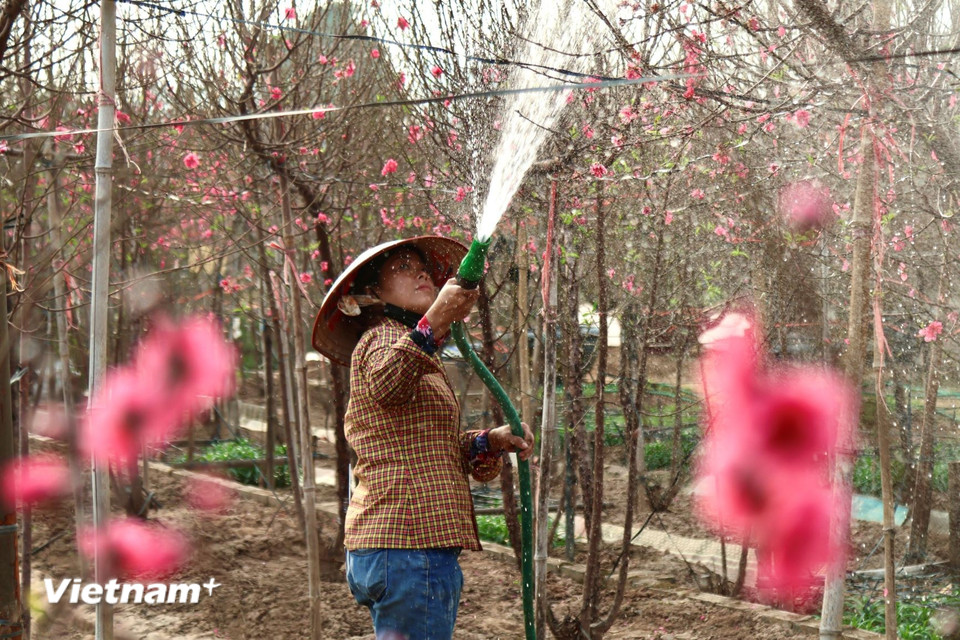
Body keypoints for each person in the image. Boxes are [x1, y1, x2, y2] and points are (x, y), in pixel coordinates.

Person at [312, 236, 534, 640]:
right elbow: (387, 382)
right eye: (401, 267)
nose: (420, 273)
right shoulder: (379, 340)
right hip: (407, 546)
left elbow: (429, 449)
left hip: (403, 548)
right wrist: (437, 320)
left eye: (421, 266)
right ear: (374, 294)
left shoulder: (418, 355)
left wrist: (489, 442)